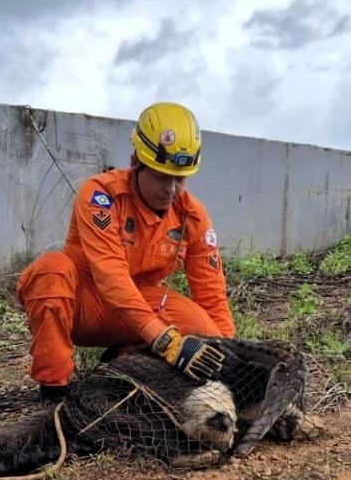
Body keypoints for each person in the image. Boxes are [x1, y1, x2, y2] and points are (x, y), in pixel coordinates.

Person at [17, 102, 235, 402]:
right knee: (50, 270)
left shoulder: (192, 215)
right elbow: (110, 275)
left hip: (142, 306)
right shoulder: (100, 196)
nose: (171, 189)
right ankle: (55, 389)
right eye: (161, 176)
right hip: (87, 303)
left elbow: (211, 291)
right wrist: (162, 339)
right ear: (135, 162)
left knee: (205, 330)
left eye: (180, 179)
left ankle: (125, 359)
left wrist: (231, 357)